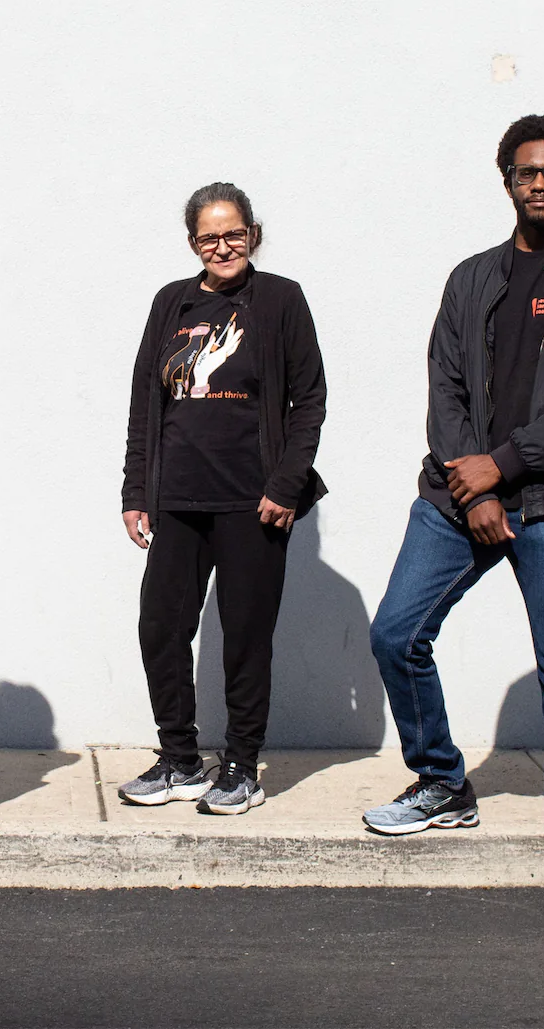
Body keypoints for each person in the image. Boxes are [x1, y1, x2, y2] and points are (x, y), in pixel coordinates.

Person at [366, 115, 544, 920]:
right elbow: (444, 389)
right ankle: (444, 778)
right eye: (527, 172)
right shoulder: (472, 277)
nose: (541, 184)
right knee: (395, 632)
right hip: (458, 495)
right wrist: (476, 488)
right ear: (507, 179)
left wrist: (507, 465)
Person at [117, 182, 328, 816]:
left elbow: (309, 400)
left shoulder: (281, 300)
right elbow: (144, 402)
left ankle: (241, 763)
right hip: (178, 498)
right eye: (209, 237)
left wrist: (286, 485)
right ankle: (180, 758)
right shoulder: (172, 302)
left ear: (253, 234)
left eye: (234, 233)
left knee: (244, 636)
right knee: (161, 626)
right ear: (193, 244)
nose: (223, 245)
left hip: (253, 502)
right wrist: (136, 490)